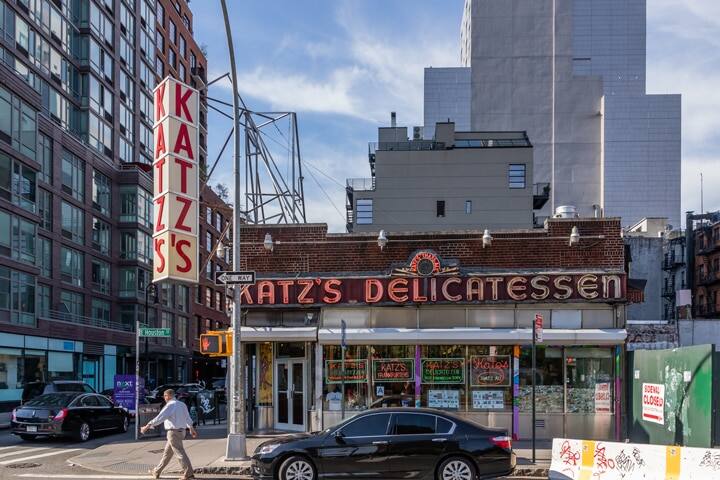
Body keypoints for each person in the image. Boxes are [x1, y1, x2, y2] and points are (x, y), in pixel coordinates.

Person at [141, 389, 198, 480]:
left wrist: (147, 426)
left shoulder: (170, 405)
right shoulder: (182, 404)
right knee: (167, 454)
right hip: (181, 431)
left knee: (180, 453)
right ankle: (157, 471)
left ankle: (189, 473)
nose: (164, 398)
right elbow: (187, 417)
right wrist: (191, 428)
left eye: (165, 396)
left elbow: (160, 417)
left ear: (168, 396)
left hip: (173, 432)